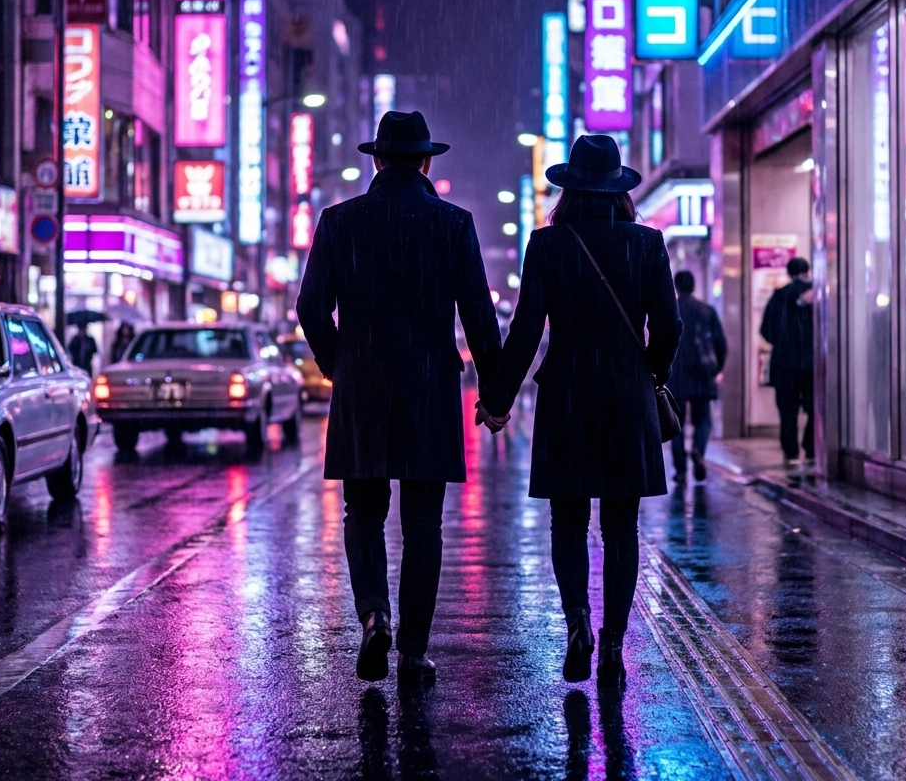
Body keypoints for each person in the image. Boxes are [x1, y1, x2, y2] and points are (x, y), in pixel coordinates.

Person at [296, 110, 503, 685]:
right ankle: (413, 651)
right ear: (427, 162)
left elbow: (311, 309)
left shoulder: (340, 223)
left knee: (363, 512)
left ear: (376, 160)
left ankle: (373, 617)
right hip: (430, 386)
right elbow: (480, 320)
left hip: (363, 386)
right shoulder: (452, 224)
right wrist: (495, 392)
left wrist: (343, 364)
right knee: (423, 525)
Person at [478, 135, 681, 689]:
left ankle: (578, 628)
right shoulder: (647, 243)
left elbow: (524, 332)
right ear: (619, 190)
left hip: (566, 389)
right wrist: (651, 376)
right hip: (626, 391)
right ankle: (614, 644)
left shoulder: (548, 246)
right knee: (621, 525)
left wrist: (497, 400)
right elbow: (668, 328)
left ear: (567, 191)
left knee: (567, 521)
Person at [668, 270, 727, 484]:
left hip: (676, 376)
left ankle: (681, 470)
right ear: (693, 286)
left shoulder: (671, 310)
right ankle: (698, 451)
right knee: (703, 421)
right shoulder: (707, 311)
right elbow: (720, 344)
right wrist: (716, 369)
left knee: (676, 424)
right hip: (702, 375)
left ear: (676, 287)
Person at [760, 256, 814, 466]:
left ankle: (791, 452)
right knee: (814, 408)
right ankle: (811, 447)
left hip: (784, 364)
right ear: (807, 271)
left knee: (788, 410)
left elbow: (766, 330)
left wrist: (784, 342)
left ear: (789, 273)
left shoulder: (778, 298)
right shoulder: (819, 295)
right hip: (812, 365)